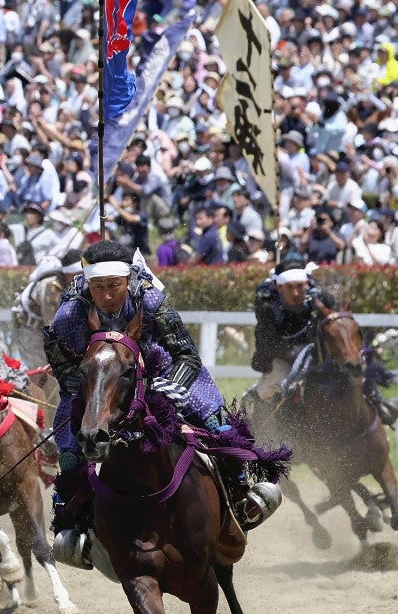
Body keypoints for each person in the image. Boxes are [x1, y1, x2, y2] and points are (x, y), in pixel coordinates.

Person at [43, 241, 281, 568]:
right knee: (71, 447)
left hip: (162, 370)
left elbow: (185, 353)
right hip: (98, 382)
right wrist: (92, 387)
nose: (107, 295)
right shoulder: (70, 312)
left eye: (114, 286)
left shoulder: (152, 299)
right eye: (98, 287)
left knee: (214, 423)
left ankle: (240, 497)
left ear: (128, 281)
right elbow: (61, 364)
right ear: (89, 285)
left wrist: (169, 386)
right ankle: (73, 525)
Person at [248, 259, 398, 427]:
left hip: (319, 352)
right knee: (265, 392)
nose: (296, 293)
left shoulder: (319, 295)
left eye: (300, 286)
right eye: (290, 287)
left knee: (356, 367)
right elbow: (268, 340)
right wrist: (297, 355)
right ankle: (262, 429)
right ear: (279, 287)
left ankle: (377, 401)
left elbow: (338, 319)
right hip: (280, 356)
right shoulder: (266, 303)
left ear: (306, 283)